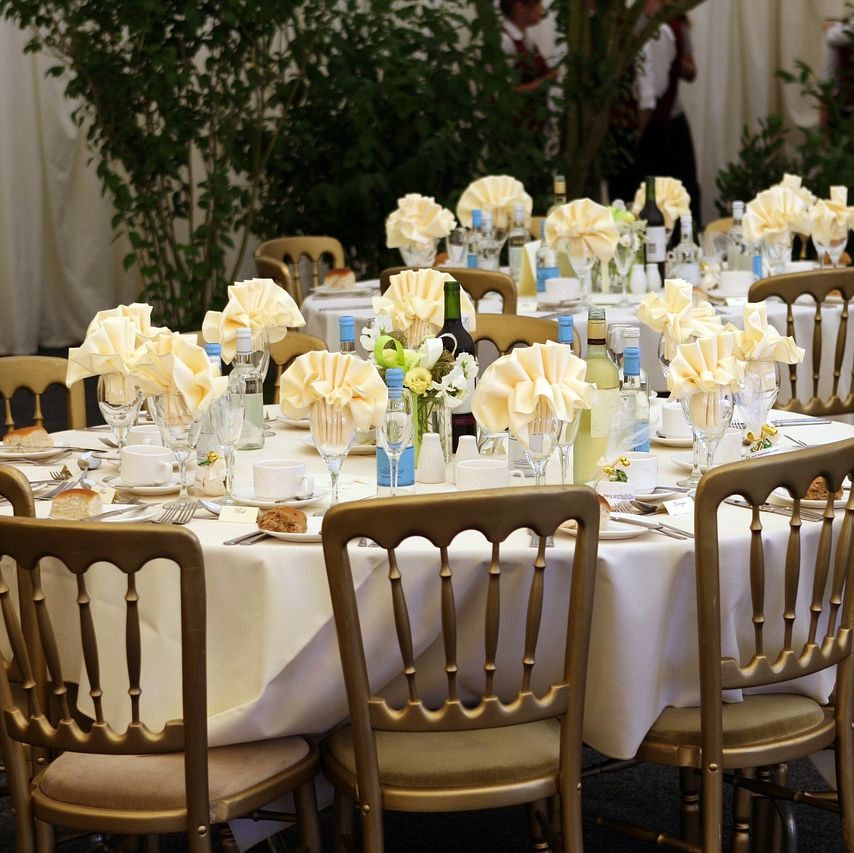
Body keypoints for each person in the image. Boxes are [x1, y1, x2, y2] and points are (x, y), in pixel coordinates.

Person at [606, 0, 702, 226]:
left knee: (657, 203)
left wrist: (636, 136)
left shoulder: (661, 29)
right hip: (661, 125)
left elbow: (651, 96)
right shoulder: (659, 23)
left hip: (657, 130)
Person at [499, 0, 559, 93]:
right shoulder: (505, 41)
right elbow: (504, 93)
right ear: (520, 7)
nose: (542, 9)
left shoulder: (526, 38)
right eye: (538, 4)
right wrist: (544, 82)